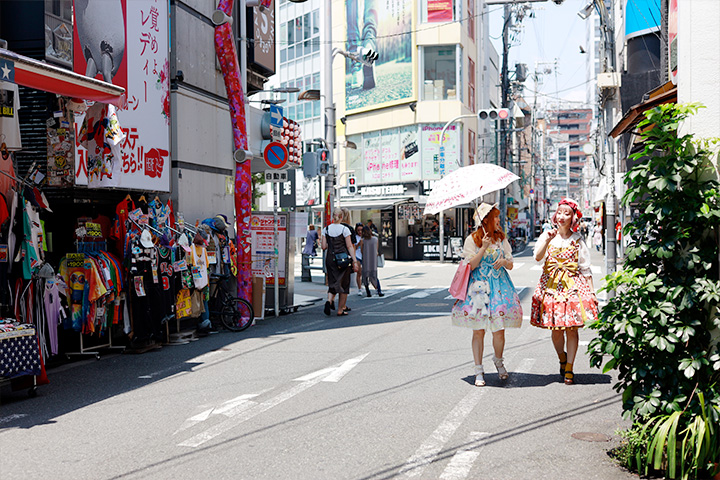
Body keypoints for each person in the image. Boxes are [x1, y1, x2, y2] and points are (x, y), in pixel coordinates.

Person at [451, 203, 523, 386]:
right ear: (487, 220)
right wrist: (482, 247)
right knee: (479, 330)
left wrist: (504, 262)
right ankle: (478, 370)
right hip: (479, 290)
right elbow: (471, 265)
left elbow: (511, 263)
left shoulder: (501, 238)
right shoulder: (472, 240)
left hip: (499, 286)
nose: (499, 220)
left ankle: (498, 361)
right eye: (496, 217)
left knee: (499, 331)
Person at [530, 198, 599, 385]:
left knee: (572, 329)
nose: (562, 216)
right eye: (559, 212)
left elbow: (585, 268)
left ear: (573, 218)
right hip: (551, 287)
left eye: (566, 213)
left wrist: (592, 292)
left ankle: (570, 367)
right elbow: (537, 257)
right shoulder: (547, 236)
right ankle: (562, 356)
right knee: (556, 329)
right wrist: (548, 240)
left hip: (573, 287)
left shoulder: (578, 240)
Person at [321, 208, 359, 316]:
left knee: (333, 281)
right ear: (341, 217)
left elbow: (323, 246)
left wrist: (331, 244)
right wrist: (355, 261)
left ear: (333, 217)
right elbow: (349, 246)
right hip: (342, 259)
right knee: (344, 283)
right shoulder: (344, 229)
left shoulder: (326, 229)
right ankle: (340, 309)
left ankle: (329, 300)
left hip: (330, 259)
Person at [360, 226, 384, 297]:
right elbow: (376, 250)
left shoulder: (362, 240)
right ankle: (379, 290)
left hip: (366, 259)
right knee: (374, 275)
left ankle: (368, 291)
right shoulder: (375, 239)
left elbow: (361, 250)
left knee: (365, 276)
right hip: (373, 260)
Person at [354, 223, 364, 295]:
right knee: (359, 273)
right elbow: (354, 248)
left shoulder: (365, 237)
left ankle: (365, 286)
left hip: (364, 256)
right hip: (357, 256)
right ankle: (359, 289)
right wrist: (359, 243)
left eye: (361, 230)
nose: (360, 232)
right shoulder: (355, 237)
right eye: (358, 230)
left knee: (366, 273)